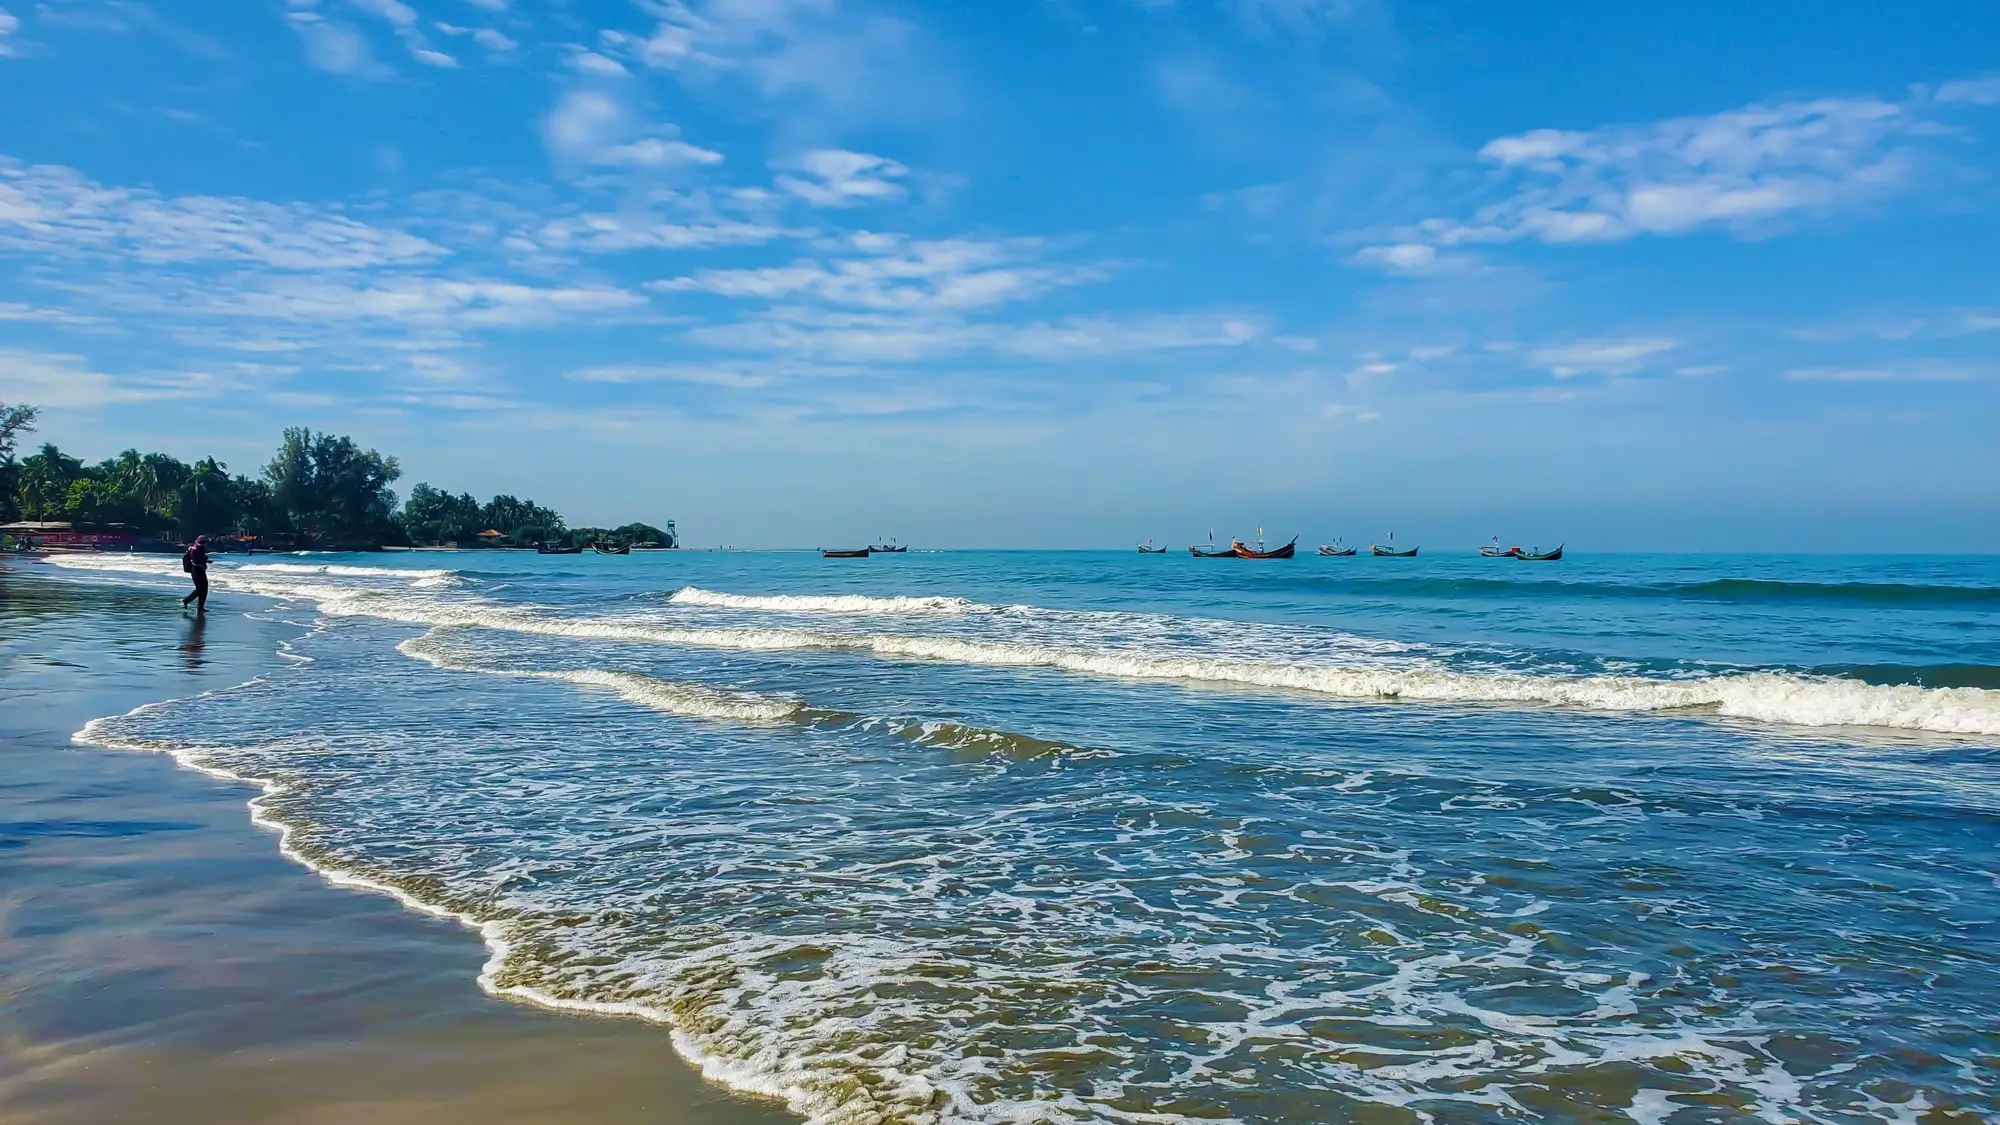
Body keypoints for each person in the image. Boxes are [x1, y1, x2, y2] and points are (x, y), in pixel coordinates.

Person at [181, 536, 211, 613]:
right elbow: (195, 561)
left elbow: (199, 559)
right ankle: (186, 600)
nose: (202, 544)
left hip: (201, 570)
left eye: (203, 542)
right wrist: (203, 562)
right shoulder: (194, 549)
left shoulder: (200, 549)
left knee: (204, 589)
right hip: (196, 571)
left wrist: (206, 561)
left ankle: (200, 607)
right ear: (197, 541)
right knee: (200, 589)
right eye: (201, 542)